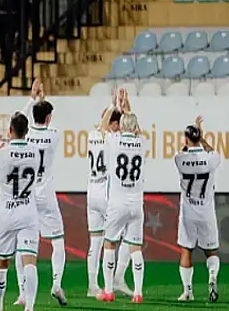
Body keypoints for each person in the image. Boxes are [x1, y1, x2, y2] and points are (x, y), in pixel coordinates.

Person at [0, 112, 40, 311]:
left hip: (7, 214)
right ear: (26, 131)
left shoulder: (0, 153)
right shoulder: (35, 152)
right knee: (29, 261)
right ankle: (29, 307)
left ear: (10, 130)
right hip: (28, 213)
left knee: (1, 264)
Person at [15, 78, 67, 306]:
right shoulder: (54, 134)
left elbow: (19, 119)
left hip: (26, 195)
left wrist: (33, 99)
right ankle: (56, 283)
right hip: (46, 194)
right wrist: (41, 101)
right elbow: (42, 121)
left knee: (22, 243)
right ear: (48, 118)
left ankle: (22, 293)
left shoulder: (24, 135)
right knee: (58, 240)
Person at [97, 94, 146, 304]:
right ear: (134, 127)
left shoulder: (114, 140)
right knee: (135, 248)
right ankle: (138, 293)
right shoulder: (142, 142)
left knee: (109, 243)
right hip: (136, 204)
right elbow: (138, 131)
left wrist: (113, 105)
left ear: (121, 126)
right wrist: (128, 109)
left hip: (117, 203)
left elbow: (102, 127)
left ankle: (108, 291)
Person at [86, 89, 131, 297]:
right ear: (113, 124)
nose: (119, 127)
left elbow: (103, 126)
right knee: (128, 234)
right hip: (106, 194)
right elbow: (130, 131)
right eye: (118, 123)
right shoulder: (112, 138)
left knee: (95, 241)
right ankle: (116, 279)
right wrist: (121, 106)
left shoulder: (91, 135)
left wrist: (114, 106)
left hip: (91, 194)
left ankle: (92, 285)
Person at [174, 116, 222, 302]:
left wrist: (191, 141)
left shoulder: (180, 159)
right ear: (199, 138)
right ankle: (212, 277)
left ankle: (187, 292)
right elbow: (212, 150)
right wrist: (202, 138)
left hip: (188, 212)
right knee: (211, 252)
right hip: (206, 211)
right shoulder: (211, 159)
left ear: (186, 139)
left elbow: (182, 151)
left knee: (186, 250)